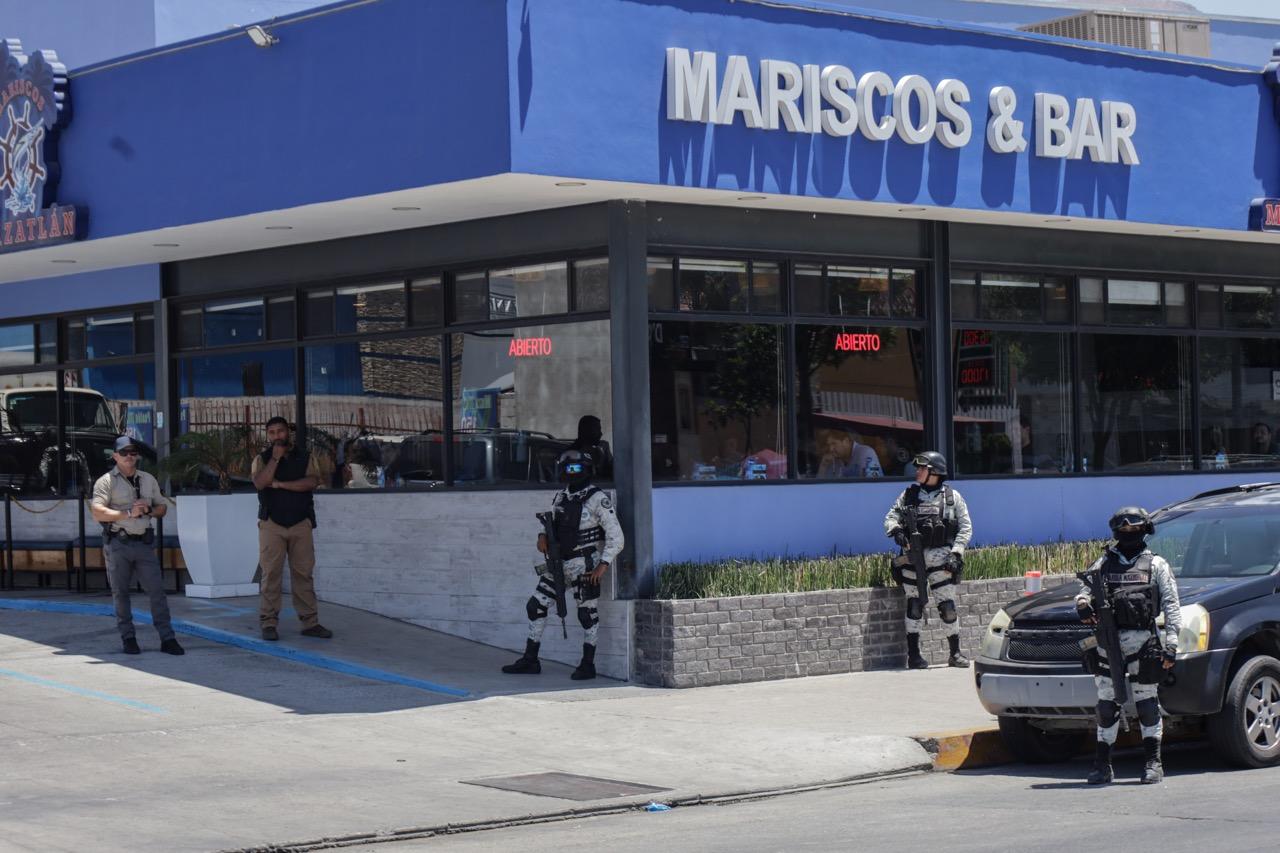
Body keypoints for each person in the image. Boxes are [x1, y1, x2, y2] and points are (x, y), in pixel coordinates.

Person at [1075, 507, 1181, 785]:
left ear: (1144, 530)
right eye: (1122, 529)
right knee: (1106, 705)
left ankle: (1153, 763)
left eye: (1133, 528)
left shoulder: (1156, 565)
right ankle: (1102, 765)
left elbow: (1172, 605)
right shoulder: (1104, 563)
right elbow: (1084, 592)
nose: (1127, 532)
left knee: (1147, 703)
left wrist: (1171, 644)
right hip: (1108, 643)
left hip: (1143, 642)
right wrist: (1083, 604)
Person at [502, 449, 624, 680]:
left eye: (575, 467)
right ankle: (530, 660)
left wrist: (603, 566)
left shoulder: (597, 498)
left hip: (585, 566)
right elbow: (550, 524)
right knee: (535, 606)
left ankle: (588, 665)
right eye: (567, 467)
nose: (571, 472)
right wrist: (542, 536)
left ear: (586, 469)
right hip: (559, 563)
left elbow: (616, 537)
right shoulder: (561, 497)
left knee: (587, 614)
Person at [90, 436, 184, 656]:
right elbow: (97, 512)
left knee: (157, 592)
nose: (129, 456)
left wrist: (148, 510)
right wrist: (128, 513)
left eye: (133, 452)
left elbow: (162, 508)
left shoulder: (148, 479)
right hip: (118, 543)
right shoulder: (106, 481)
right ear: (115, 456)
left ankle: (167, 638)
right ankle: (128, 638)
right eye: (124, 452)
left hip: (143, 543)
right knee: (121, 593)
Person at [883, 451, 972, 669]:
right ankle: (914, 656)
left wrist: (956, 553)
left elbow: (965, 528)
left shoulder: (952, 498)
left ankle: (955, 653)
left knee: (947, 608)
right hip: (913, 560)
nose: (918, 472)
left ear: (935, 472)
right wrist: (897, 531)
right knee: (914, 606)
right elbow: (891, 516)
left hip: (942, 562)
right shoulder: (908, 495)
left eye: (922, 468)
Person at [251, 417, 333, 641]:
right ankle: (269, 623)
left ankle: (310, 623)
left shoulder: (306, 457)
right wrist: (275, 459)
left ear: (288, 432)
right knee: (271, 574)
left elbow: (311, 482)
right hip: (272, 524)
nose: (277, 436)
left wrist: (280, 484)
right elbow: (260, 483)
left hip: (300, 523)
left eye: (280, 431)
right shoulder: (262, 459)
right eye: (272, 432)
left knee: (303, 574)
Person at [818, 431, 883, 479]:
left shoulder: (866, 453)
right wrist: (823, 466)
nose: (831, 449)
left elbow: (875, 483)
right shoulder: (834, 459)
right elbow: (822, 488)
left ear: (846, 441)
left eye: (834, 443)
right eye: (829, 445)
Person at [569, 414, 612, 479]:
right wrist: (592, 468)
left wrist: (606, 456)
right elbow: (569, 470)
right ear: (587, 431)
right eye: (597, 430)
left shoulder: (601, 448)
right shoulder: (572, 452)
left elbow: (614, 469)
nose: (601, 434)